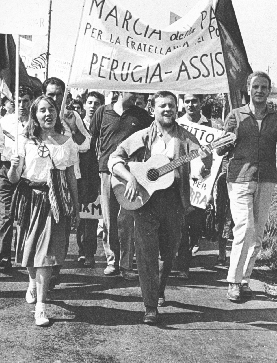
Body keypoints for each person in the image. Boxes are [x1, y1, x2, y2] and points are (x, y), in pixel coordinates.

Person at [108, 91, 211, 324]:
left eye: (172, 106)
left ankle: (159, 287)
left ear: (177, 109)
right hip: (146, 200)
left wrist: (206, 160)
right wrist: (130, 178)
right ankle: (150, 305)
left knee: (169, 252)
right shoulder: (143, 136)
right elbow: (114, 158)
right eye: (162, 106)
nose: (168, 110)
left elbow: (203, 169)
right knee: (146, 253)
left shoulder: (186, 137)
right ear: (153, 110)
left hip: (175, 201)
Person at [8, 95, 79, 326]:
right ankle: (32, 282)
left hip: (54, 202)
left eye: (51, 109)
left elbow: (71, 178)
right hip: (29, 199)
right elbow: (14, 178)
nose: (48, 114)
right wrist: (13, 167)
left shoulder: (67, 143)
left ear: (57, 113)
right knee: (29, 252)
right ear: (35, 116)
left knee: (45, 256)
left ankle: (41, 307)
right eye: (42, 110)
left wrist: (75, 207)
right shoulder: (25, 141)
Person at [217, 71, 277, 302]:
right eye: (256, 87)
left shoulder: (274, 117)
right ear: (248, 90)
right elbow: (220, 149)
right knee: (245, 227)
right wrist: (227, 141)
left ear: (269, 90)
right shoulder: (236, 115)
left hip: (267, 177)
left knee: (258, 233)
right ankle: (233, 281)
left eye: (264, 87)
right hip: (240, 177)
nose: (260, 91)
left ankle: (244, 279)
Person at [90, 91, 152, 279]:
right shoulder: (102, 112)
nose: (136, 96)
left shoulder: (141, 116)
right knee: (109, 219)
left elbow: (150, 142)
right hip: (106, 172)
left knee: (126, 221)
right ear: (120, 91)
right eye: (133, 92)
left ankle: (126, 265)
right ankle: (112, 261)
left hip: (130, 174)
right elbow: (92, 141)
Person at [42, 77, 91, 288]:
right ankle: (39, 271)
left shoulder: (73, 116)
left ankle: (54, 269)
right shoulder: (40, 114)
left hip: (69, 176)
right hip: (43, 180)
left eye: (58, 94)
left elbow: (86, 144)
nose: (54, 98)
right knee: (43, 227)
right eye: (50, 94)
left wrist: (74, 129)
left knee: (62, 225)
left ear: (65, 96)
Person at [176, 93, 213, 279]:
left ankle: (190, 249)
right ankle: (183, 265)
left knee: (196, 224)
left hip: (202, 181)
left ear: (200, 103)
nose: (191, 104)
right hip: (182, 177)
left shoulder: (210, 125)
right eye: (187, 101)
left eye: (194, 101)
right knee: (182, 222)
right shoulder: (177, 123)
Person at [0, 86, 34, 269]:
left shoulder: (35, 122)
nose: (22, 105)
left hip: (28, 171)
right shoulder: (5, 122)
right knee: (6, 215)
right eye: (18, 101)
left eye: (26, 101)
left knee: (24, 215)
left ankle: (22, 254)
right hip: (7, 169)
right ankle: (4, 256)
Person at [76, 91, 103, 266]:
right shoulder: (77, 125)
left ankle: (89, 252)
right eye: (90, 102)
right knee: (79, 215)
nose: (93, 106)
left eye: (97, 103)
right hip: (78, 174)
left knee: (91, 215)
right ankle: (80, 249)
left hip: (94, 176)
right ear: (85, 105)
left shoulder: (102, 126)